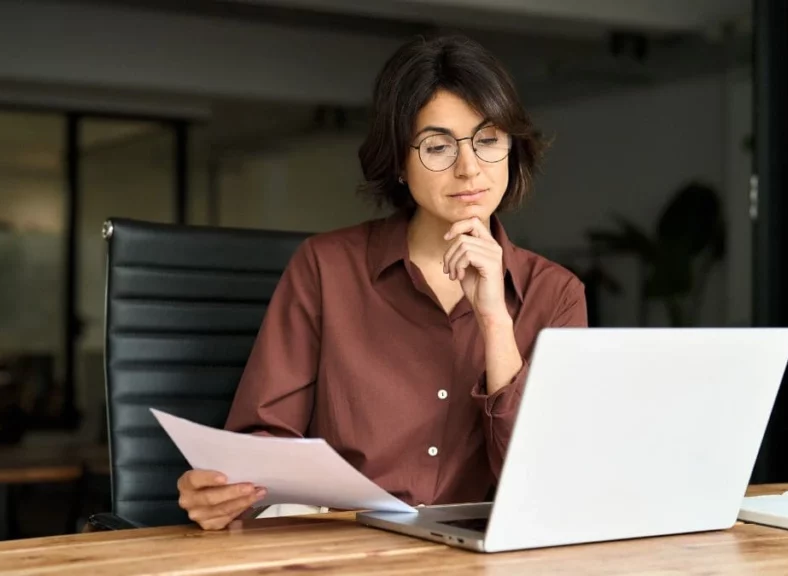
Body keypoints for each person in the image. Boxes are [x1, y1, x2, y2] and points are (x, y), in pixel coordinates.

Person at [177, 33, 587, 530]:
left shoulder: (557, 294)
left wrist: (495, 321)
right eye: (438, 146)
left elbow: (548, 481)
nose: (469, 168)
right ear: (398, 160)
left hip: (475, 556)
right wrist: (227, 490)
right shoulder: (325, 268)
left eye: (488, 139)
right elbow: (265, 438)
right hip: (341, 548)